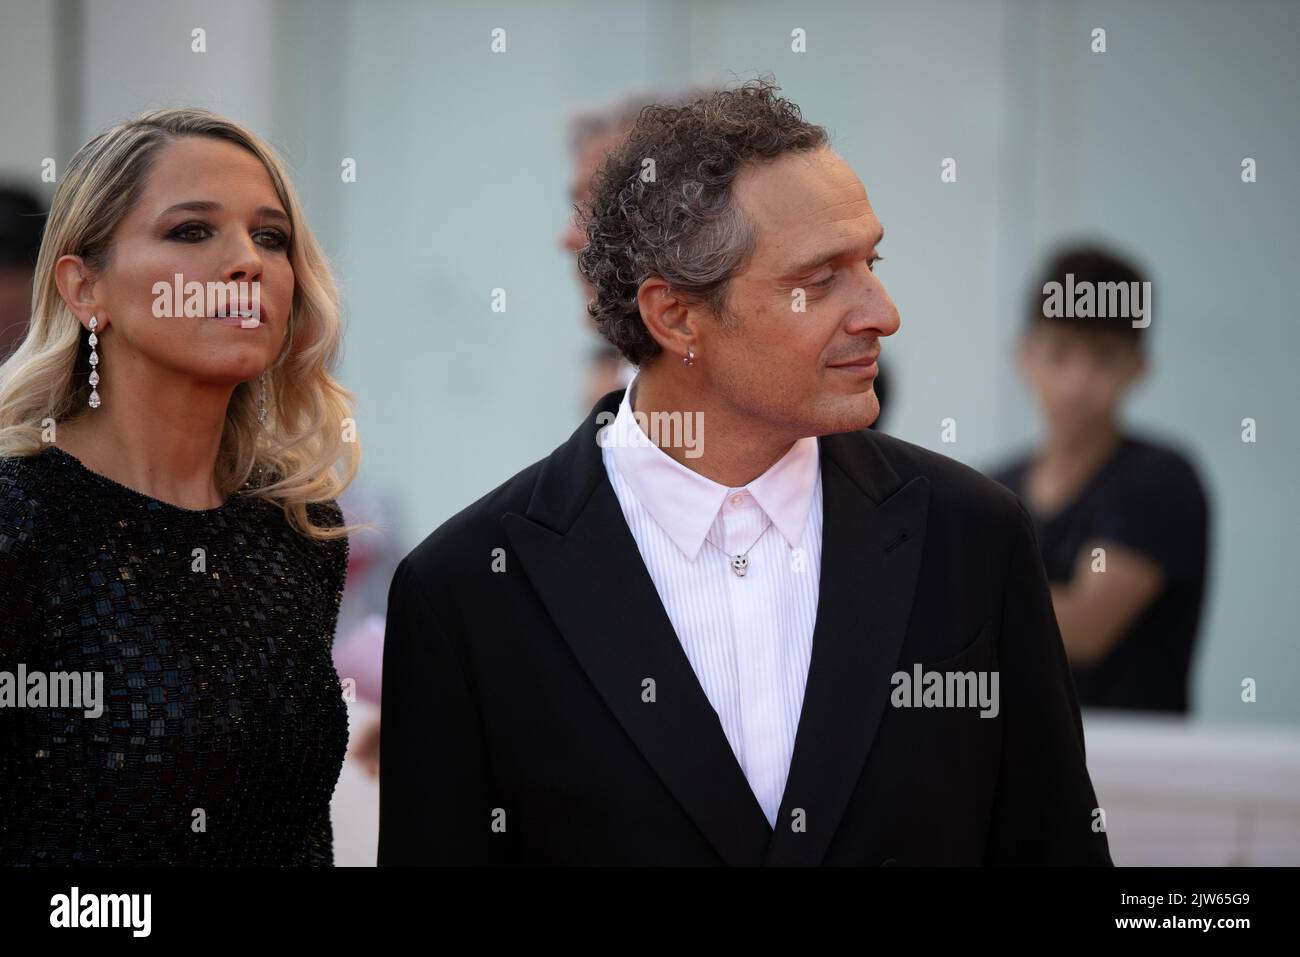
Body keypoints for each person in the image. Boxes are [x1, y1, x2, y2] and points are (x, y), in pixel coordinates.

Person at [379, 79, 1111, 865]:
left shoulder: (972, 537)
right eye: (821, 279)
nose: (883, 312)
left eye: (871, 261)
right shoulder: (468, 589)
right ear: (676, 315)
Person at [0, 107, 359, 864]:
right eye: (192, 231)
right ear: (84, 286)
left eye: (271, 237)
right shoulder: (18, 519)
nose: (247, 262)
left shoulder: (295, 528)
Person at [989, 246, 1210, 714]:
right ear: (1026, 356)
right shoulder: (992, 488)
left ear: (1138, 368)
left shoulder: (1159, 480)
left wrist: (946, 596)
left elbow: (1086, 629)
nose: (1077, 382)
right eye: (1060, 353)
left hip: (1133, 770)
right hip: (1013, 764)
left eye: (1103, 358)